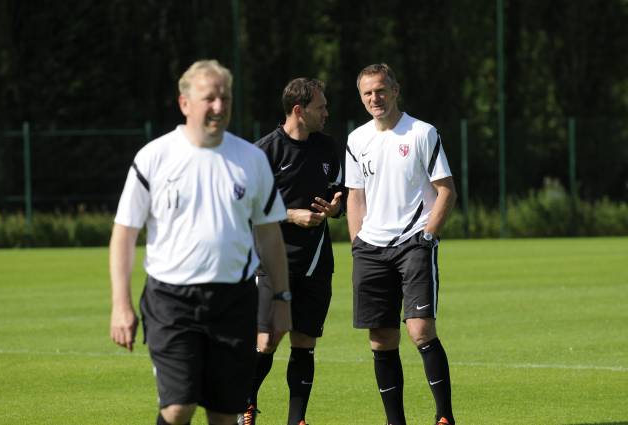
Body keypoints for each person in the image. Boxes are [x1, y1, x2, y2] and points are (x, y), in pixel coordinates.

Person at [109, 59, 292, 425]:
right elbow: (124, 233)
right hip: (171, 301)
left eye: (225, 98)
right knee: (179, 407)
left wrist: (282, 299)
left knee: (225, 416)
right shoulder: (155, 157)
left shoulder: (251, 159)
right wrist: (121, 305)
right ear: (185, 104)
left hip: (235, 300)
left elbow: (270, 234)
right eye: (209, 98)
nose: (219, 107)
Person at [345, 63, 458, 425]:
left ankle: (444, 417)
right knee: (381, 338)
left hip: (413, 243)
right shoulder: (356, 139)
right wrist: (357, 242)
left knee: (420, 330)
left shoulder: (422, 133)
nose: (374, 98)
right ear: (361, 98)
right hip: (370, 249)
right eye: (367, 93)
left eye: (380, 90)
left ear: (395, 90)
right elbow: (355, 196)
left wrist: (428, 235)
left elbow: (446, 190)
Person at [239, 78, 345, 425]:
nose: (326, 112)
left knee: (304, 342)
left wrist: (334, 210)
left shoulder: (329, 148)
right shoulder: (264, 152)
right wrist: (290, 214)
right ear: (299, 111)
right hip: (273, 263)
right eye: (321, 107)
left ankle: (296, 419)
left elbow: (341, 197)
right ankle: (246, 405)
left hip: (316, 262)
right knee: (267, 340)